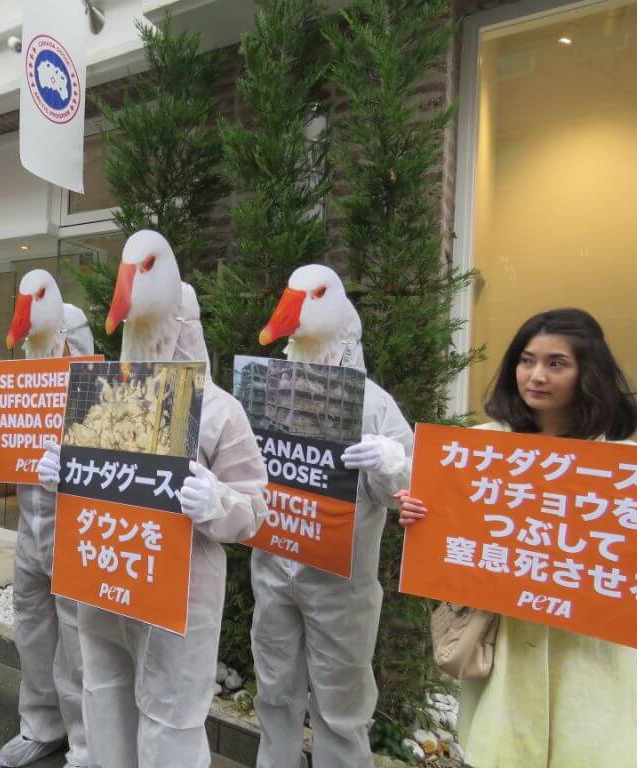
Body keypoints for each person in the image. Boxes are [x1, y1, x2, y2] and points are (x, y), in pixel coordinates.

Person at [38, 231, 269, 767]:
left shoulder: (219, 412)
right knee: (104, 699)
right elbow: (96, 493)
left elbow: (255, 509)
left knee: (169, 721)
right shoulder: (102, 399)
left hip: (179, 604)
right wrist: (62, 475)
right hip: (105, 582)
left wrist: (218, 502)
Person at [397, 308, 637, 768]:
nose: (536, 376)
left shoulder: (619, 464)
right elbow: (449, 539)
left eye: (556, 363)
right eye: (527, 360)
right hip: (505, 640)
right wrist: (420, 515)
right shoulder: (481, 448)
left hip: (593, 651)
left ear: (589, 372)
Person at [252, 264, 414, 768]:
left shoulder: (375, 405)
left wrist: (392, 466)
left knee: (341, 703)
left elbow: (406, 494)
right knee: (274, 689)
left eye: (312, 295)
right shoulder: (264, 393)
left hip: (342, 584)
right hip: (273, 569)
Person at [0, 269, 92, 768]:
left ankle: (85, 741)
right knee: (33, 626)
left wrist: (77, 460)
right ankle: (41, 723)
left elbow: (109, 432)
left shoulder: (81, 357)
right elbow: (10, 430)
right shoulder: (23, 371)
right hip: (31, 524)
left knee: (80, 638)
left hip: (76, 526)